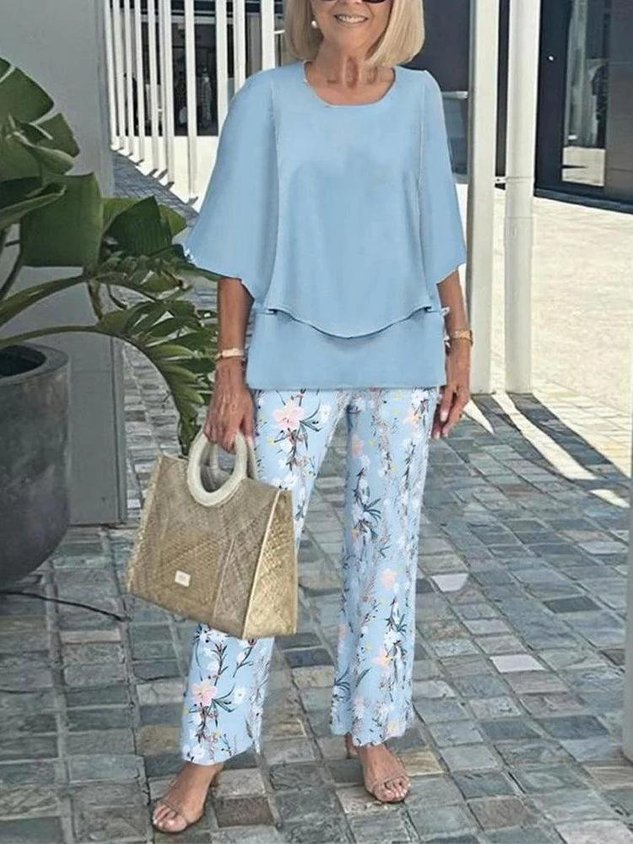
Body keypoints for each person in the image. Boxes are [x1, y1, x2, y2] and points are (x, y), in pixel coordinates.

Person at [151, 0, 471, 834]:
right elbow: (235, 245)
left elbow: (438, 228)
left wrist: (460, 342)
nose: (350, 1)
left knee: (388, 555)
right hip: (290, 353)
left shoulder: (418, 99)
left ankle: (372, 729)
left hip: (403, 354)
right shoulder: (266, 100)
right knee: (251, 550)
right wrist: (230, 367)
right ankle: (207, 748)